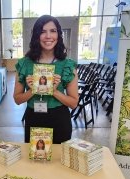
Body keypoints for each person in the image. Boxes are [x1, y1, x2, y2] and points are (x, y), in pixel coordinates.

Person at [13, 15, 79, 144]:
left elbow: (73, 103)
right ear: (36, 36)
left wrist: (54, 91)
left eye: (53, 31)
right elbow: (17, 99)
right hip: (34, 117)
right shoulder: (25, 64)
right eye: (43, 31)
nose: (48, 36)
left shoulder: (67, 65)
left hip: (59, 119)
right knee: (36, 160)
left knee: (58, 160)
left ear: (58, 35)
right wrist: (32, 90)